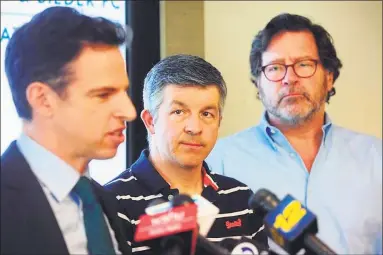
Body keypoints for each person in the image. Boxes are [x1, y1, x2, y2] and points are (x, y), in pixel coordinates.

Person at [206, 13, 382, 254]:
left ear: (329, 77)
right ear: (258, 82)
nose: (290, 79)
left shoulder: (376, 158)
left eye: (304, 64)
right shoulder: (218, 162)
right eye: (275, 67)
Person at [1, 6, 136, 255]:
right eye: (103, 95)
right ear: (43, 99)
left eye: (124, 92)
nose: (129, 112)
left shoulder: (99, 199)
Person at [105, 54, 268, 254]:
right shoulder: (113, 201)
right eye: (179, 112)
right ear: (150, 121)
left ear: (219, 122)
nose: (194, 128)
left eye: (206, 114)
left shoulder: (241, 198)